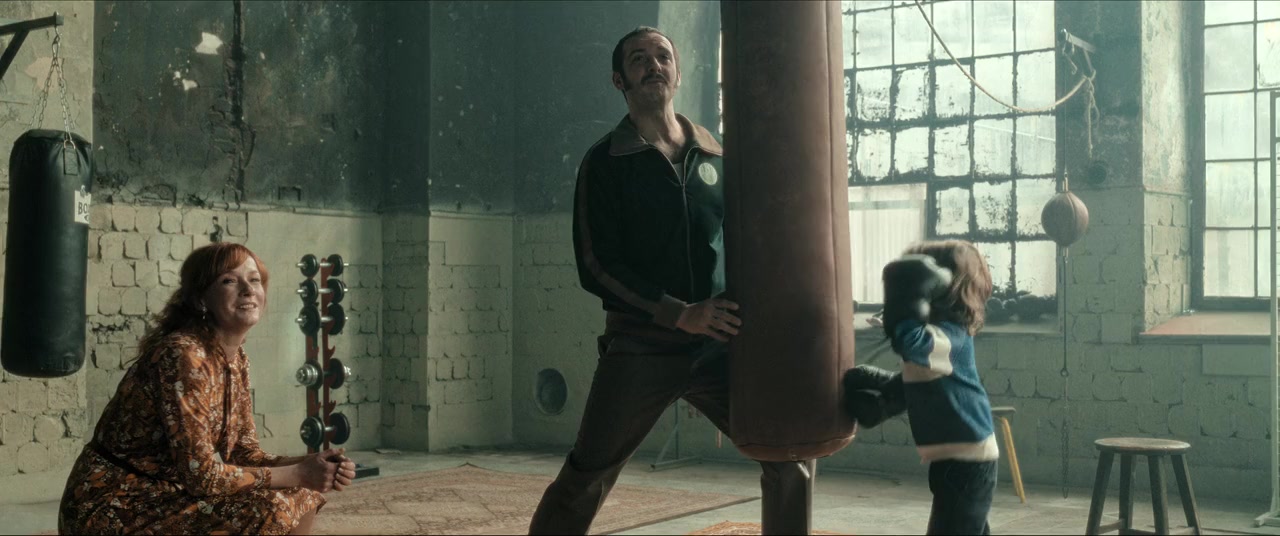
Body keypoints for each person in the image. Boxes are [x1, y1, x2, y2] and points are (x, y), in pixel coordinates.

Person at [528, 26, 814, 535]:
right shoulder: (605, 162)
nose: (653, 65)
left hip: (718, 345)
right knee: (586, 475)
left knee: (787, 451)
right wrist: (678, 314)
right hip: (641, 346)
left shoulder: (717, 156)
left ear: (678, 73)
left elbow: (747, 242)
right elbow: (596, 266)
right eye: (638, 59)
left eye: (662, 56)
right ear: (619, 80)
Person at [59, 243, 357, 535]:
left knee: (301, 493)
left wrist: (311, 465)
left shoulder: (236, 358)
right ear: (201, 299)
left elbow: (243, 452)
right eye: (229, 281)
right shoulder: (183, 355)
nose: (248, 290)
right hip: (116, 504)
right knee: (271, 508)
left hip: (169, 491)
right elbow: (201, 476)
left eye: (255, 280)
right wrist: (299, 473)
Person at [860, 240, 999, 535]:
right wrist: (883, 398)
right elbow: (921, 379)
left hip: (968, 461)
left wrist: (903, 304)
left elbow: (909, 342)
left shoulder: (949, 337)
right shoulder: (938, 339)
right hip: (955, 459)